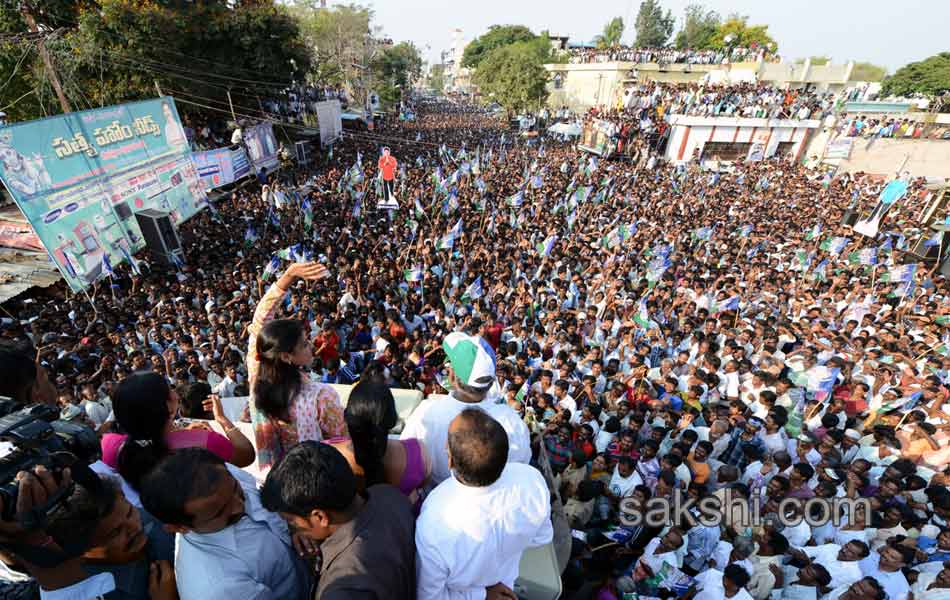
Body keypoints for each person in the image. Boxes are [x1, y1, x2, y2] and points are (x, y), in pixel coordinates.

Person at [415, 408, 553, 599]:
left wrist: (481, 594)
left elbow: (430, 597)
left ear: (450, 461)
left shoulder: (435, 517)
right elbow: (542, 537)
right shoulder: (532, 480)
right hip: (507, 587)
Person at [140, 448, 308, 600]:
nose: (239, 506)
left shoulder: (220, 476)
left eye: (236, 489)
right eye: (219, 512)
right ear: (180, 528)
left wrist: (292, 523)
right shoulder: (219, 589)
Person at [261, 441, 416, 599]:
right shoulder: (389, 495)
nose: (291, 527)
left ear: (320, 517)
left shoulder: (342, 589)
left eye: (291, 521)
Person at [247, 262, 347, 470]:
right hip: (317, 479)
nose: (310, 345)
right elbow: (341, 444)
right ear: (286, 356)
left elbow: (260, 321)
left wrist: (288, 276)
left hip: (276, 480)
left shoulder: (257, 375)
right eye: (303, 344)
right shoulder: (321, 396)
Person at [400, 332, 531, 488]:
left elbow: (406, 461)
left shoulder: (426, 413)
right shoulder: (512, 421)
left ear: (452, 377)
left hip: (439, 501)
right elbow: (522, 465)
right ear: (490, 382)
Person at [98, 371, 253, 502]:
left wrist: (183, 434)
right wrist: (222, 419)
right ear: (169, 407)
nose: (174, 391)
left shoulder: (114, 447)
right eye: (169, 389)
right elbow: (246, 455)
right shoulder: (204, 442)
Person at [326, 380, 430, 503]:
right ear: (391, 419)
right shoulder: (419, 452)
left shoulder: (326, 455)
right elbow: (422, 485)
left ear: (348, 417)